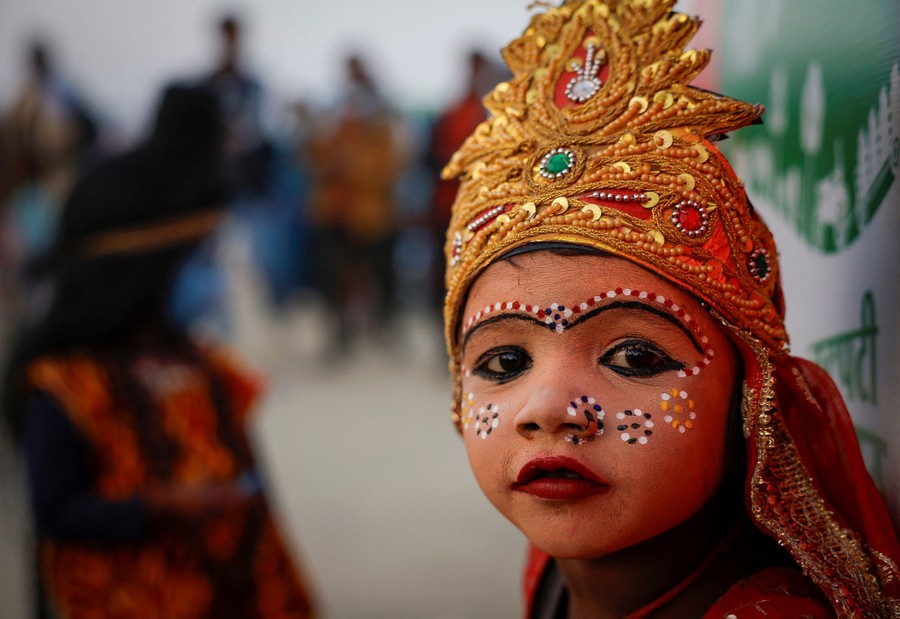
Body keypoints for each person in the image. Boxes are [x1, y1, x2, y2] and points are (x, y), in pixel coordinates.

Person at [439, 1, 900, 617]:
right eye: (503, 363)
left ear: (751, 398)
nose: (548, 410)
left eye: (633, 356)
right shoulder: (556, 562)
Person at [1, 83, 315, 618]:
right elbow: (54, 511)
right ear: (142, 276)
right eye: (197, 261)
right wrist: (161, 507)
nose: (210, 280)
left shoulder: (208, 368)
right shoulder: (66, 387)